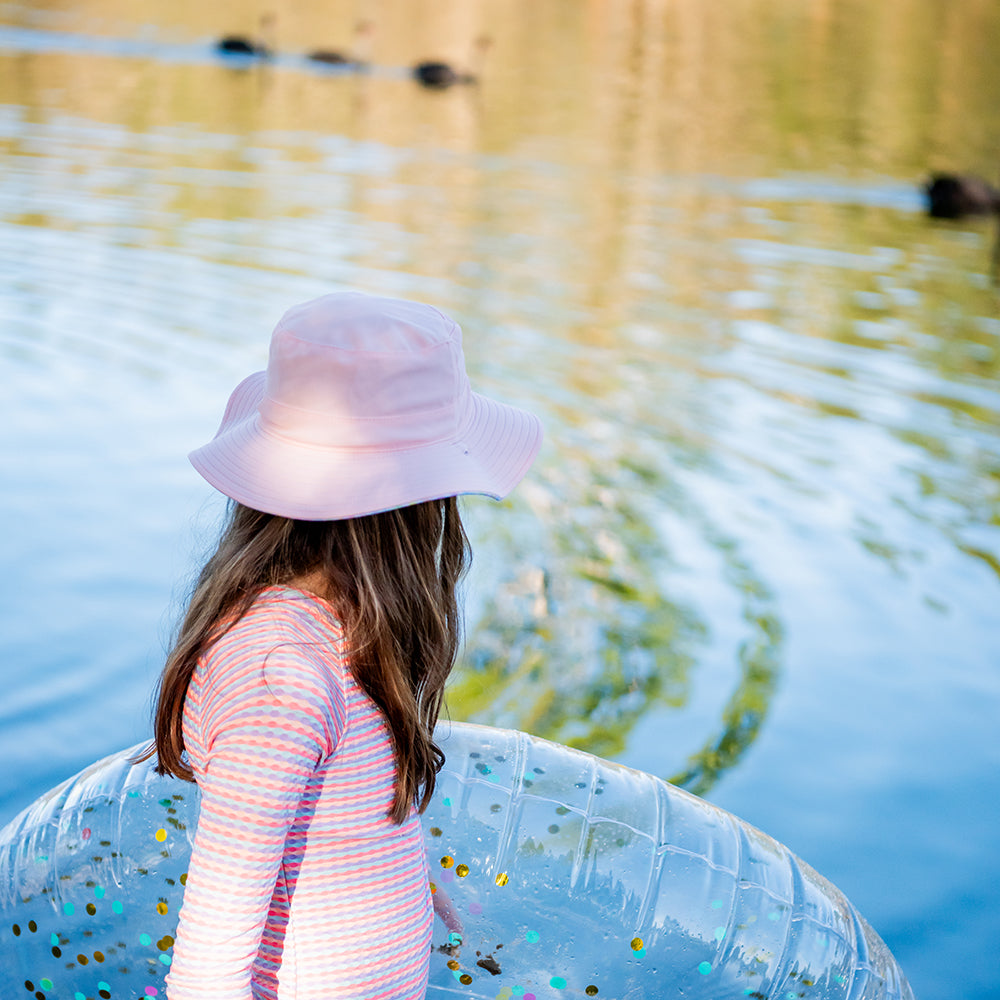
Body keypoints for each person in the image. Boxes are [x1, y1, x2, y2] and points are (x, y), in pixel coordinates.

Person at [144, 292, 542, 1000]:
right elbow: (207, 968)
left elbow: (325, 822)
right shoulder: (279, 677)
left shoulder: (345, 640)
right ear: (420, 508)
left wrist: (410, 882)